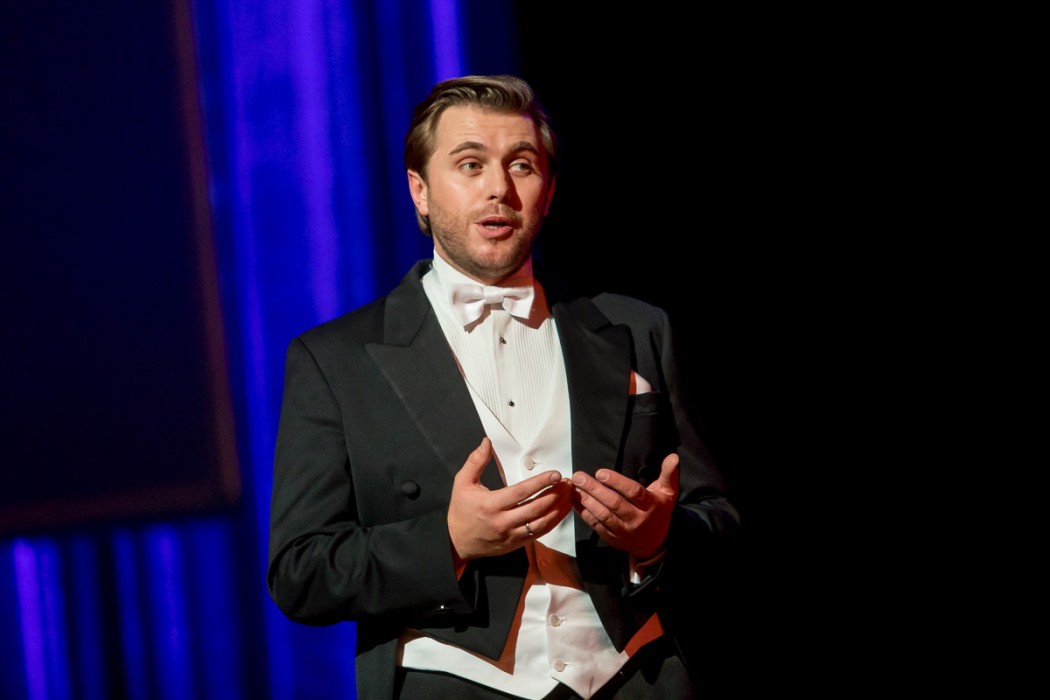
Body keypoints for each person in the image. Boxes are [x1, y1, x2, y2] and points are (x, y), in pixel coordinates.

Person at [267, 74, 742, 700]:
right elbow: (301, 572)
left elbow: (719, 521)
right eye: (470, 164)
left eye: (522, 165)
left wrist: (657, 541)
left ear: (548, 193)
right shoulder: (337, 360)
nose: (499, 188)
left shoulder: (635, 329)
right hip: (455, 685)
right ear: (420, 191)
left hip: (635, 678)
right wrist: (449, 542)